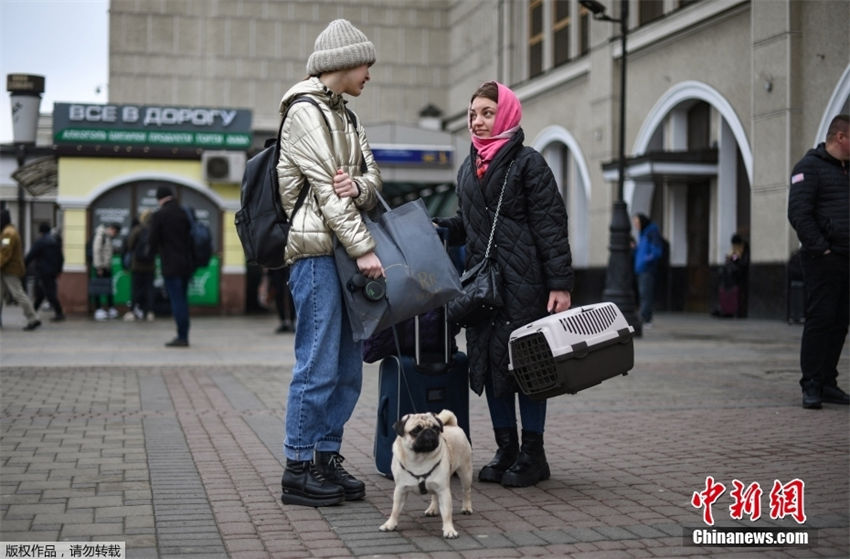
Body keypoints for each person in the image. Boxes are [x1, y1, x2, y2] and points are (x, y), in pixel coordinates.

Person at [435, 81, 574, 488]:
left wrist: (560, 283)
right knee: (492, 366)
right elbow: (470, 226)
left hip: (525, 284)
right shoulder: (468, 166)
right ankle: (506, 448)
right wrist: (442, 228)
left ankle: (534, 454)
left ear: (508, 115)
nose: (477, 121)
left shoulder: (528, 163)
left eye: (487, 113)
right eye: (473, 113)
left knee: (528, 365)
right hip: (484, 287)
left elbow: (551, 225)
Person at [276, 18, 383, 507]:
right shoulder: (304, 111)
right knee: (317, 362)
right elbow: (326, 190)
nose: (369, 74)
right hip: (318, 254)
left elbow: (372, 179)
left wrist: (359, 185)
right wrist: (364, 249)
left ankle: (326, 457)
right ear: (342, 62)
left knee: (347, 367)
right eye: (366, 64)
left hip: (342, 251)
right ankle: (297, 467)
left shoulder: (350, 116)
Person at [787, 113, 849, 409]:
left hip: (847, 259)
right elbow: (799, 214)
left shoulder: (847, 170)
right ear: (841, 137)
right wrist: (822, 249)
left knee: (840, 322)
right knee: (820, 319)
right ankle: (811, 383)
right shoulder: (808, 168)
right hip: (823, 260)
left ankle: (827, 382)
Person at [148, 186, 194, 347]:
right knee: (183, 299)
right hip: (187, 264)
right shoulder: (184, 213)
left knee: (177, 301)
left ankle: (182, 337)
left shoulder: (160, 215)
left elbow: (152, 241)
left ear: (160, 199)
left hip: (171, 265)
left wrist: (150, 257)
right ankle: (184, 333)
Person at [0, 208, 42, 331]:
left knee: (18, 294)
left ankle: (33, 318)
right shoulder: (8, 231)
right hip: (5, 269)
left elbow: (4, 253)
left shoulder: (8, 234)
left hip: (10, 270)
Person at [25, 222, 65, 322]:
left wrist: (23, 266)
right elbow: (61, 257)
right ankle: (32, 312)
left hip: (42, 271)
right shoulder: (55, 241)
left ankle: (59, 313)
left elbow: (31, 255)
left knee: (48, 293)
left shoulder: (40, 242)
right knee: (41, 293)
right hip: (52, 271)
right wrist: (59, 270)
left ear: (41, 232)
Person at [632, 213, 664, 328]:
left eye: (637, 223)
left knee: (646, 294)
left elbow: (656, 251)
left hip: (647, 269)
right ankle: (645, 317)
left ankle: (646, 319)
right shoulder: (643, 234)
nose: (636, 225)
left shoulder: (651, 232)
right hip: (641, 269)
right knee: (643, 294)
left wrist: (646, 260)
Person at [124, 209, 156, 322]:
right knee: (149, 289)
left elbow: (129, 245)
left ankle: (133, 311)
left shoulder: (137, 229)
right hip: (150, 265)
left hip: (137, 265)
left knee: (136, 289)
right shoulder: (154, 231)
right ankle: (150, 312)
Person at [712, 233, 749, 318]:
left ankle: (729, 309)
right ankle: (724, 308)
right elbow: (735, 257)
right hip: (732, 275)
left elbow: (741, 260)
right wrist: (731, 258)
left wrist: (732, 258)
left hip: (738, 275)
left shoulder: (744, 248)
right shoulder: (737, 249)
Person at [90, 222, 120, 321]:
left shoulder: (107, 237)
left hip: (107, 267)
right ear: (112, 229)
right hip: (101, 268)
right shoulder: (101, 235)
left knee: (108, 288)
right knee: (98, 288)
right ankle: (98, 310)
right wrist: (99, 267)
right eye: (115, 232)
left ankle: (110, 308)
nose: (114, 235)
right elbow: (96, 251)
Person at [268, 267, 295, 333]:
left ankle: (291, 321)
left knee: (291, 293)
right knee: (278, 292)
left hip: (290, 262)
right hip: (276, 263)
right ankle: (283, 321)